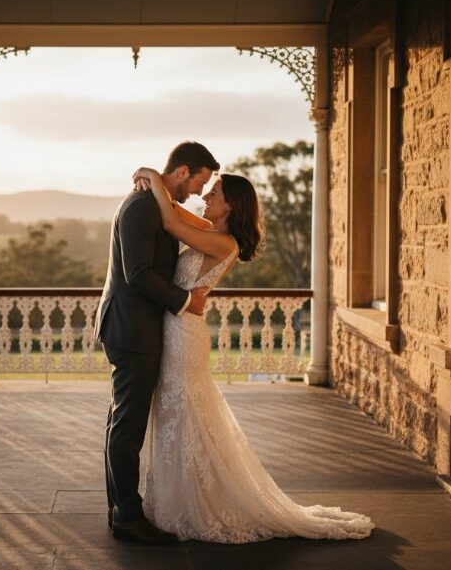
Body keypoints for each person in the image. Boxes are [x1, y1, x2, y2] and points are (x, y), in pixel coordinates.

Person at [129, 165, 374, 543]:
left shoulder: (223, 243)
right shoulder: (211, 231)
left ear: (230, 206)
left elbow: (171, 222)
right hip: (177, 325)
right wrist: (155, 182)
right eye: (205, 191)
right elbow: (174, 212)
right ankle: (177, 500)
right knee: (176, 412)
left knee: (183, 411)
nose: (204, 197)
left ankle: (197, 505)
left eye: (213, 194)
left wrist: (151, 175)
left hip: (183, 334)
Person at [95, 141, 220, 544]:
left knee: (123, 420)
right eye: (199, 182)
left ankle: (121, 509)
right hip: (132, 330)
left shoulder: (156, 202)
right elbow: (137, 273)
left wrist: (150, 173)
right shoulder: (141, 206)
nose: (199, 194)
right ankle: (128, 516)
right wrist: (186, 300)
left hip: (140, 328)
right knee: (128, 424)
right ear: (183, 171)